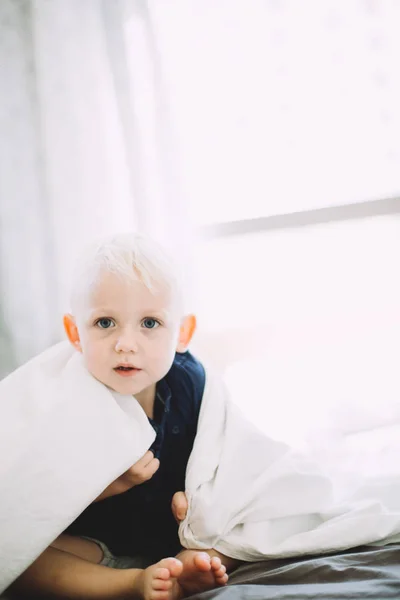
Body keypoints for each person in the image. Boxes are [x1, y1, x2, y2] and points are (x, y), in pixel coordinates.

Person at [8, 233, 239, 600]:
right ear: (75, 333)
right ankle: (133, 583)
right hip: (96, 546)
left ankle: (184, 569)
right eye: (104, 323)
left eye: (149, 323)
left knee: (239, 532)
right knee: (17, 557)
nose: (126, 343)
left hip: (175, 533)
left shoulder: (191, 382)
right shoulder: (67, 397)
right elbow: (33, 496)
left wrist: (196, 497)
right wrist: (108, 485)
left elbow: (222, 456)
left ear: (181, 332)